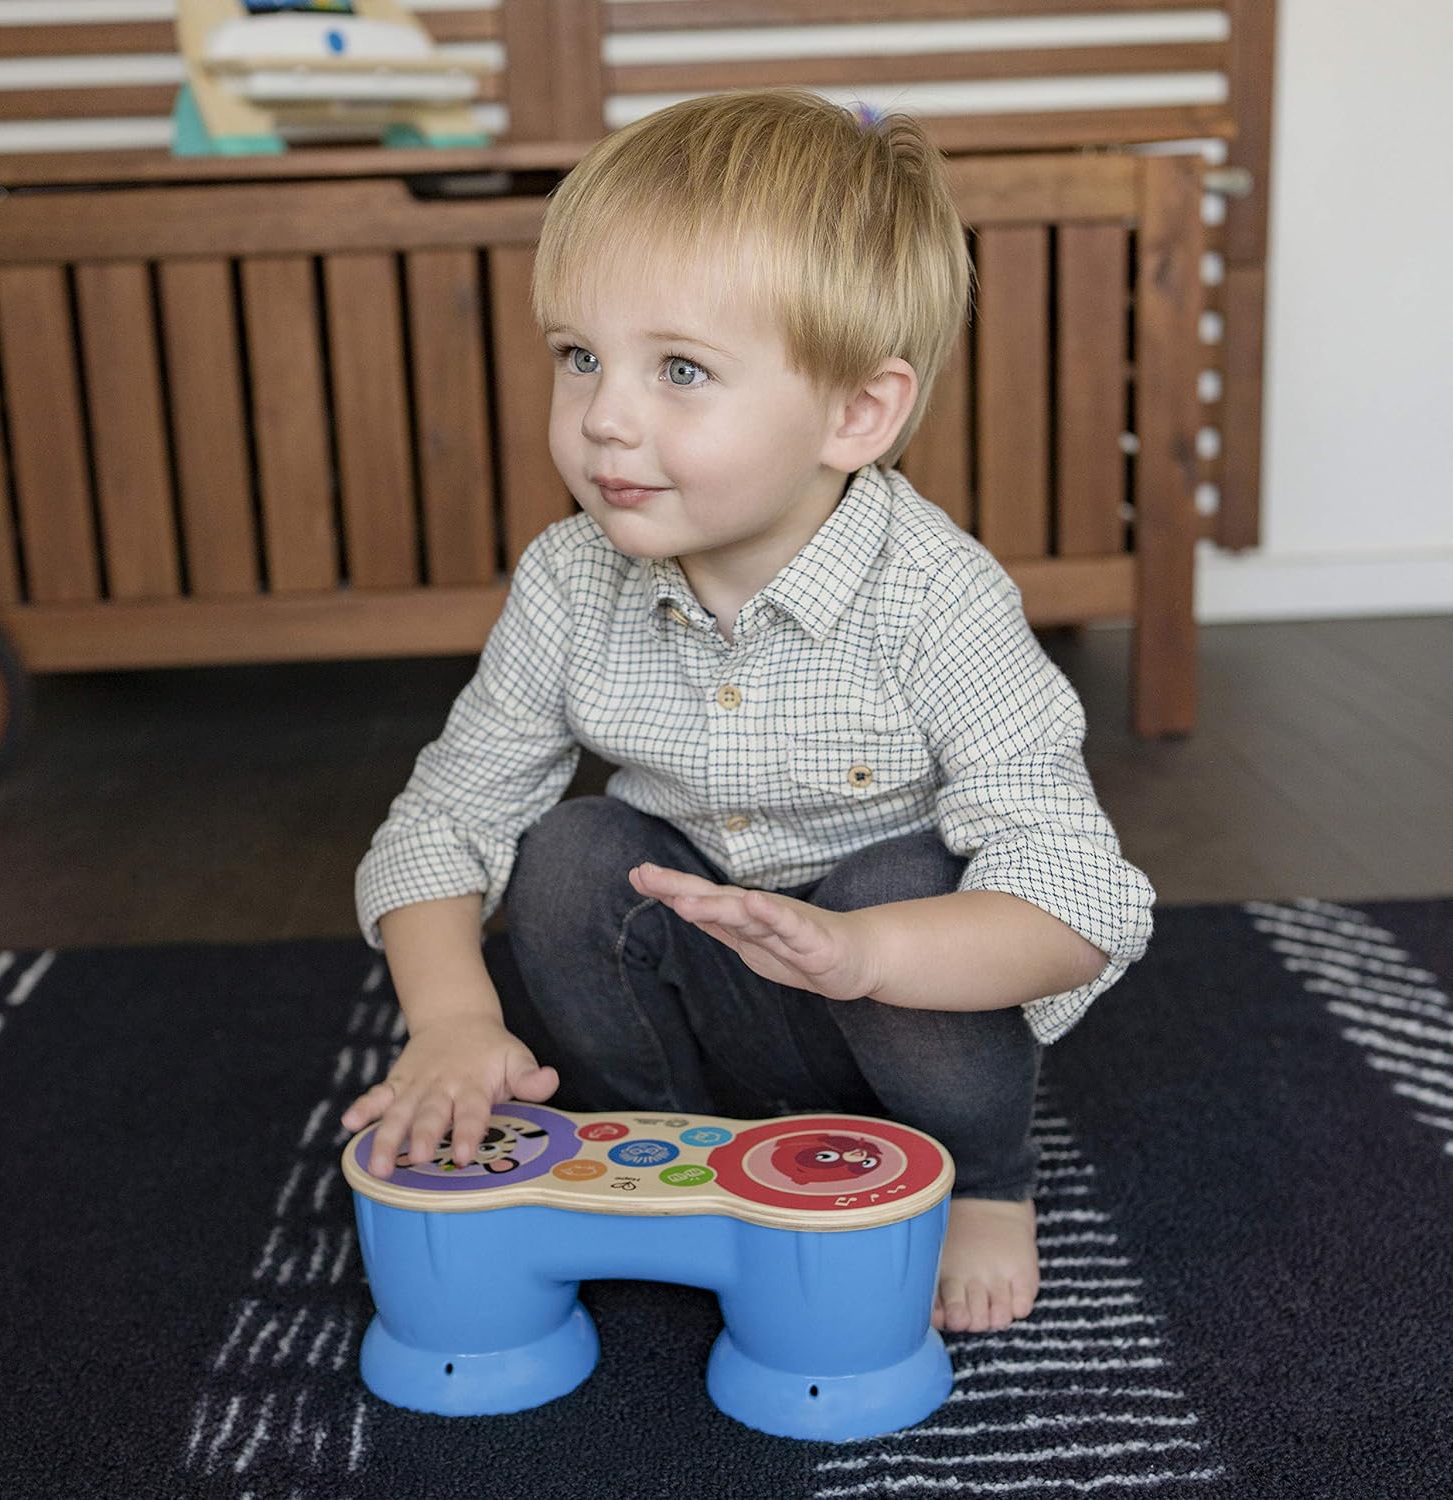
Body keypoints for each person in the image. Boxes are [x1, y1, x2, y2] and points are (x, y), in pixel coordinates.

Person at [344, 88, 1154, 1335]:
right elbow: (445, 818)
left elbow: (1078, 900)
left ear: (855, 414)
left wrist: (869, 953)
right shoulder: (569, 580)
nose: (604, 417)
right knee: (571, 855)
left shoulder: (938, 597)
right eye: (578, 356)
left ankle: (986, 1178)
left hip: (891, 995)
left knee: (902, 880)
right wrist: (453, 1019)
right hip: (706, 975)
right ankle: (674, 1144)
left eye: (680, 370)